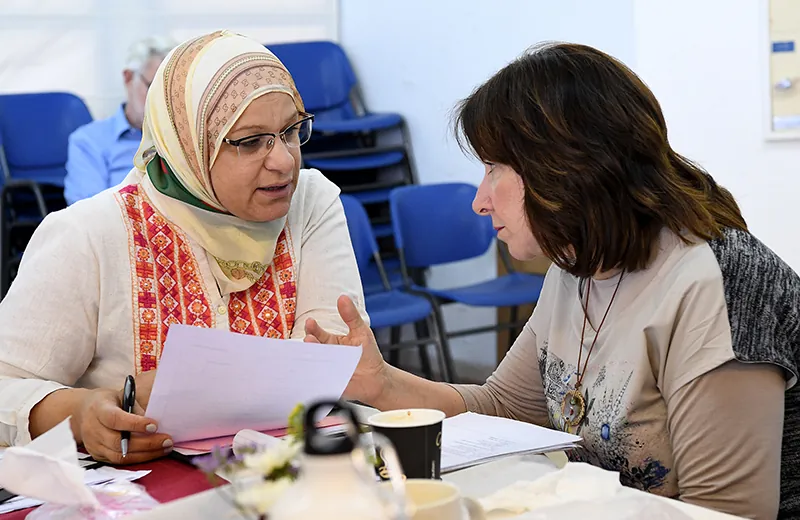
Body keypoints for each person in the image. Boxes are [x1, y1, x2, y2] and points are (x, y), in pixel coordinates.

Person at [305, 43, 800, 519]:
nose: (480, 200)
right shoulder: (578, 262)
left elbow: (724, 515)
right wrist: (381, 383)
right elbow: (502, 408)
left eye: (494, 168)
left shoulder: (716, 282)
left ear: (562, 167)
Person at [0, 31, 366, 465]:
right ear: (187, 147)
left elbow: (330, 364)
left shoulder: (309, 202)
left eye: (291, 130)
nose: (285, 160)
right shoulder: (90, 234)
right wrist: (79, 414)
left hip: (293, 482)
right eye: (250, 141)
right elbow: (7, 384)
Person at [63, 35, 175, 205]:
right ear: (128, 77)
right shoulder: (90, 140)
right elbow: (87, 211)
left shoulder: (185, 137)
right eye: (154, 87)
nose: (162, 100)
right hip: (118, 227)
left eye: (172, 92)